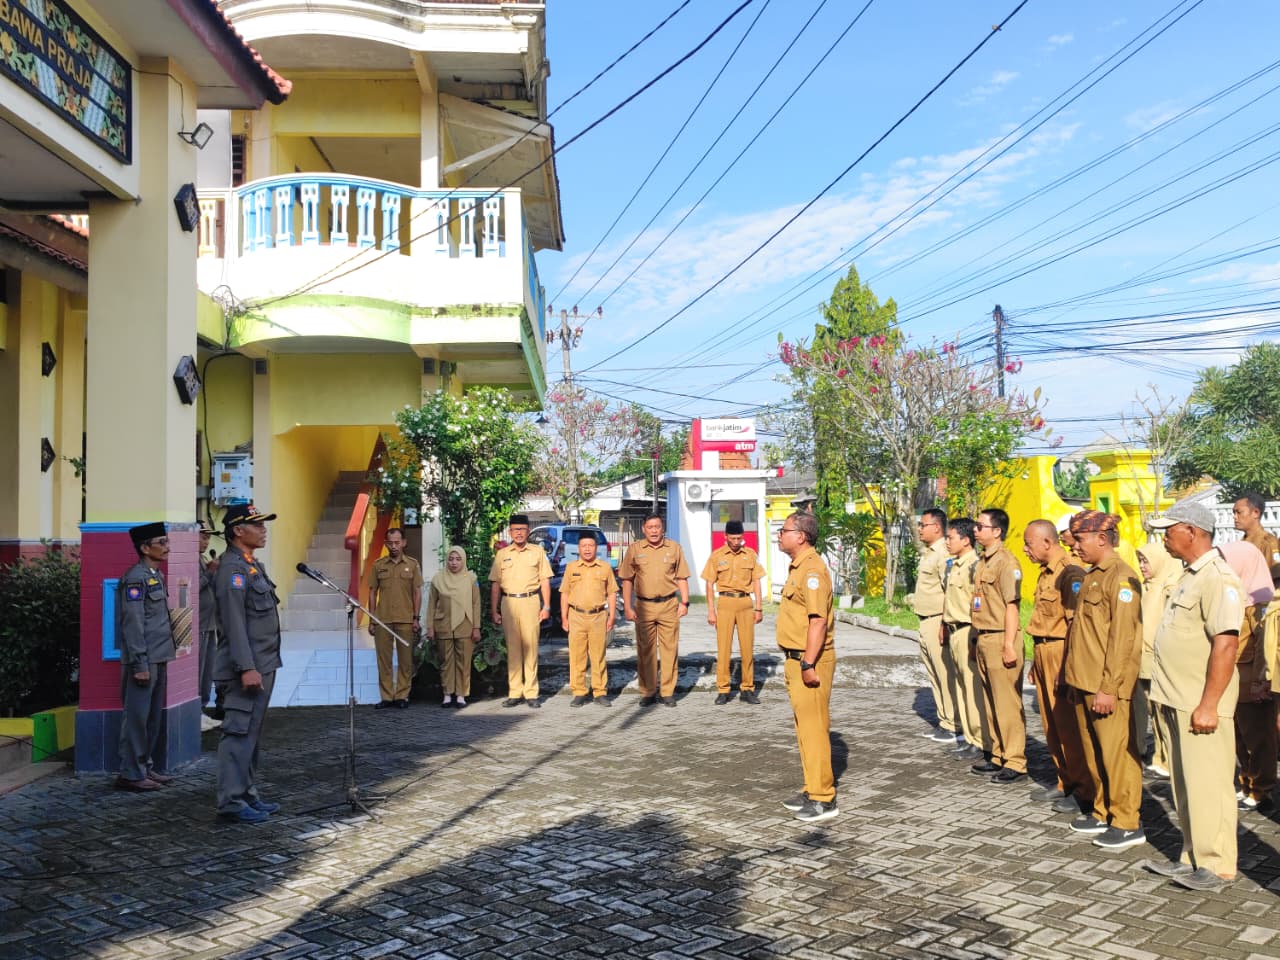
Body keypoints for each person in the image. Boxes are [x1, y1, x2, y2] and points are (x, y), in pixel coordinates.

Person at [1141, 502, 1244, 890]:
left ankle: (1217, 866)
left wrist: (1209, 704)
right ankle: (1193, 857)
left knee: (1210, 785)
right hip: (1176, 699)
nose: (1164, 537)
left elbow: (1226, 645)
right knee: (1186, 786)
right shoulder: (1189, 575)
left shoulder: (1218, 577)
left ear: (1192, 531)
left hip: (1200, 704)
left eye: (1169, 530)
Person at [1062, 511, 1145, 850]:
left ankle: (1127, 821)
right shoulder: (1093, 575)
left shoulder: (1122, 579)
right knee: (1093, 752)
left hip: (1105, 686)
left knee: (1117, 756)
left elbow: (1123, 641)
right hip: (1085, 680)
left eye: (1079, 539)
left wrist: (1109, 688)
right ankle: (1102, 811)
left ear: (1100, 538)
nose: (1075, 546)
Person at [214, 504, 283, 823]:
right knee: (238, 733)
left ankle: (246, 793)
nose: (263, 529)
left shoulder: (252, 565)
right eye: (257, 525)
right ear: (238, 531)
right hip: (246, 667)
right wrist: (246, 667)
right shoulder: (232, 570)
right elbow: (234, 623)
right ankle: (231, 800)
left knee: (252, 734)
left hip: (263, 662)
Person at [1021, 519, 1090, 815]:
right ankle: (1065, 780)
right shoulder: (1044, 574)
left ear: (1047, 543)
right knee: (1051, 724)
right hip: (1043, 650)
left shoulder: (1070, 572)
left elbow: (1075, 623)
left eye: (1029, 543)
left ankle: (1083, 789)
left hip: (1061, 652)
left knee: (1069, 726)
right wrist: (1036, 662)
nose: (1025, 549)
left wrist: (1067, 666)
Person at [775, 511, 838, 823]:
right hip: (796, 658)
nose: (779, 535)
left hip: (808, 659)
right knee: (805, 730)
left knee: (814, 730)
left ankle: (824, 798)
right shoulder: (799, 567)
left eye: (784, 530)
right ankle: (812, 787)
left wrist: (809, 662)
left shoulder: (812, 570)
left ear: (800, 536)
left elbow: (818, 621)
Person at [114, 522, 177, 791]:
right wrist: (140, 662)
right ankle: (131, 772)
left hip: (159, 654)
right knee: (137, 718)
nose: (167, 547)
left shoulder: (155, 575)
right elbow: (133, 623)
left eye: (166, 541)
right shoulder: (135, 578)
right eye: (161, 542)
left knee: (151, 717)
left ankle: (144, 767)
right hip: (144, 658)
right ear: (144, 547)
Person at [970, 508, 1027, 783]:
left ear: (997, 531)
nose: (976, 530)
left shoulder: (1007, 563)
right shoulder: (983, 561)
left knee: (1007, 704)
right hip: (984, 636)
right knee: (991, 703)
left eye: (981, 526)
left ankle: (1015, 761)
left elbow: (1012, 606)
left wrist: (1008, 644)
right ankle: (998, 754)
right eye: (976, 526)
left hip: (1001, 636)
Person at [1220, 541, 1276, 814]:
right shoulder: (1232, 596)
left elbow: (1265, 644)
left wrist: (1260, 681)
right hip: (1231, 680)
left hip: (1251, 683)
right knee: (1239, 737)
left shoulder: (1261, 603)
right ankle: (1246, 784)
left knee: (1258, 738)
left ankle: (1262, 788)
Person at [619, 514, 690, 707]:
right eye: (650, 527)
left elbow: (682, 577)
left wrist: (685, 602)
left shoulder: (674, 548)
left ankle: (667, 692)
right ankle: (648, 691)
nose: (653, 530)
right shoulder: (635, 549)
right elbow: (627, 580)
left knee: (670, 649)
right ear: (643, 529)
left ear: (662, 528)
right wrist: (627, 606)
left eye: (657, 526)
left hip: (669, 605)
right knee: (646, 651)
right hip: (644, 607)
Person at [489, 514, 552, 708]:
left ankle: (531, 693)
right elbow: (495, 585)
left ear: (528, 531)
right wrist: (494, 610)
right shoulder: (502, 554)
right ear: (510, 532)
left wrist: (546, 606)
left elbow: (545, 580)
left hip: (531, 601)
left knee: (531, 647)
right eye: (515, 530)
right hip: (508, 603)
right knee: (513, 649)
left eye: (522, 529)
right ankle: (515, 692)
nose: (518, 533)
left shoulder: (537, 552)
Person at [700, 520, 765, 705]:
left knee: (747, 649)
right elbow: (709, 583)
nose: (736, 542)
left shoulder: (750, 555)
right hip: (725, 603)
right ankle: (723, 689)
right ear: (725, 537)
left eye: (739, 538)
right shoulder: (717, 556)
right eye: (733, 538)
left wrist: (758, 608)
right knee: (724, 649)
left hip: (745, 602)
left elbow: (757, 582)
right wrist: (711, 611)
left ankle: (748, 688)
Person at [941, 518, 987, 762]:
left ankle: (980, 740)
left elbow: (977, 604)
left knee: (972, 687)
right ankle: (968, 738)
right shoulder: (955, 564)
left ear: (966, 540)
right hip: (953, 630)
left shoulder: (974, 566)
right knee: (960, 686)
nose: (947, 542)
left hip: (968, 629)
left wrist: (975, 638)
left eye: (951, 537)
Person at [1135, 539, 1181, 780]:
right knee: (1152, 712)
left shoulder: (1169, 586)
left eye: (1146, 560)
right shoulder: (1147, 586)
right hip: (1143, 660)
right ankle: (1158, 756)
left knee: (1164, 714)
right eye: (1140, 561)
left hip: (1160, 660)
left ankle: (1167, 759)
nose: (1142, 566)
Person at [912, 509, 958, 743]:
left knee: (944, 673)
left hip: (936, 620)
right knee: (934, 674)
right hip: (925, 620)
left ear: (937, 527)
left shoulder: (943, 553)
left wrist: (944, 623)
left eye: (924, 524)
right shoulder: (929, 552)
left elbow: (949, 590)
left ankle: (953, 724)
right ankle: (944, 721)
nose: (920, 528)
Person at [367, 528, 423, 710]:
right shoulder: (378, 565)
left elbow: (417, 592)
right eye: (390, 543)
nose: (394, 546)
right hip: (383, 619)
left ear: (404, 543)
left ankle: (402, 696)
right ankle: (386, 697)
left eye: (397, 542)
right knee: (384, 660)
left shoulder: (413, 565)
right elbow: (372, 592)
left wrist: (416, 618)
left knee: (405, 660)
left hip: (406, 619)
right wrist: (372, 619)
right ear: (386, 543)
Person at [561, 534, 618, 707]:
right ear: (578, 548)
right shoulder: (571, 568)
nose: (587, 549)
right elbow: (565, 593)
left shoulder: (605, 568)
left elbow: (612, 593)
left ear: (596, 548)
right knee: (577, 656)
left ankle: (599, 692)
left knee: (598, 655)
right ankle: (579, 692)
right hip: (576, 616)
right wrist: (564, 617)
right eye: (583, 545)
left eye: (590, 545)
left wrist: (612, 616)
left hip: (598, 616)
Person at [426, 545, 481, 709]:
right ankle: (447, 694)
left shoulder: (471, 579)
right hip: (443, 624)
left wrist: (476, 627)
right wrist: (430, 627)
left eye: (458, 559)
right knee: (445, 661)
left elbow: (476, 604)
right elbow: (431, 605)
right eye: (451, 559)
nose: (454, 563)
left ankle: (461, 694)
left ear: (463, 560)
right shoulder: (438, 579)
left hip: (465, 624)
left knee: (463, 661)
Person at [197, 521, 223, 730]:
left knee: (207, 671)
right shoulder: (189, 560)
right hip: (198, 625)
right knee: (198, 670)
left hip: (210, 622)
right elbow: (192, 587)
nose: (205, 541)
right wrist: (209, 572)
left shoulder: (202, 559)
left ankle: (202, 708)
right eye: (202, 536)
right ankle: (195, 711)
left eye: (207, 537)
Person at [1234, 492, 1280, 585]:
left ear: (1256, 513)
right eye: (1234, 513)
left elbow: (1276, 579)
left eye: (1239, 512)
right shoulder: (1242, 542)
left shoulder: (1268, 542)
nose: (1234, 517)